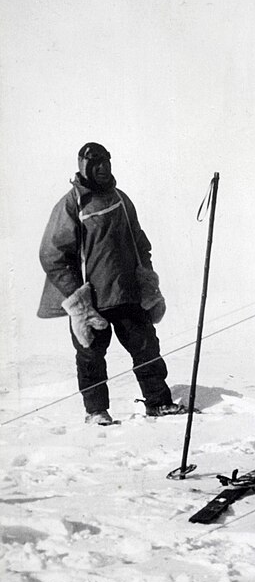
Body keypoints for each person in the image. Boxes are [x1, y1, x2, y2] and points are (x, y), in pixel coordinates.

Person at [38, 143, 186, 425]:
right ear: (84, 167)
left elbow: (140, 242)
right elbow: (52, 254)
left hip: (127, 294)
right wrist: (76, 297)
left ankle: (158, 403)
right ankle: (96, 412)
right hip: (92, 302)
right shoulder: (72, 204)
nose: (103, 168)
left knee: (146, 348)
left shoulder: (120, 198)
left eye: (106, 162)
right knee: (91, 357)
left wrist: (147, 281)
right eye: (96, 164)